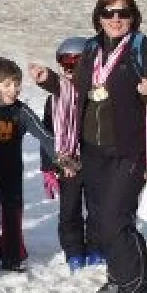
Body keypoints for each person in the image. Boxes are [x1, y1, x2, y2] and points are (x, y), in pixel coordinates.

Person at [35, 0, 147, 293]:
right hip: (92, 149)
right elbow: (75, 92)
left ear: (133, 16)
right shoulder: (91, 49)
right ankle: (120, 276)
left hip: (128, 150)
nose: (116, 19)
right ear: (99, 16)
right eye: (109, 13)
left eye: (123, 12)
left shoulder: (144, 49)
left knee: (114, 219)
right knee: (100, 220)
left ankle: (138, 288)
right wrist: (49, 80)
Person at [0, 57, 76, 277]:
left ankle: (11, 254)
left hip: (11, 171)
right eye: (7, 85)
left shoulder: (21, 111)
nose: (14, 89)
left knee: (12, 212)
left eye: (17, 84)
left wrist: (61, 156)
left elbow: (44, 136)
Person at [33, 37, 104, 272]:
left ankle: (96, 247)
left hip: (94, 161)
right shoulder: (54, 100)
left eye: (78, 64)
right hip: (67, 163)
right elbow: (47, 135)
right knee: (69, 210)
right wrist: (48, 167)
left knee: (97, 209)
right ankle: (73, 250)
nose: (71, 70)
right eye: (66, 65)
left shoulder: (98, 95)